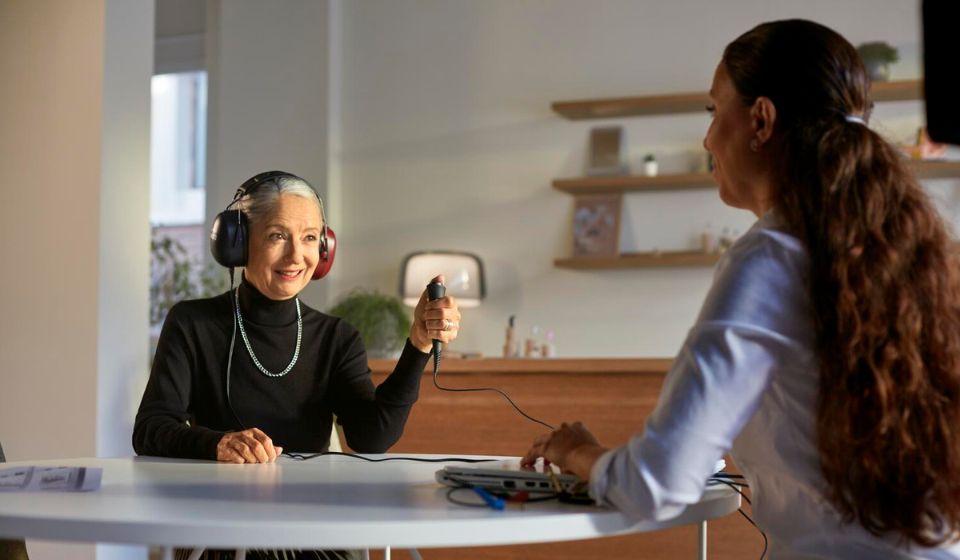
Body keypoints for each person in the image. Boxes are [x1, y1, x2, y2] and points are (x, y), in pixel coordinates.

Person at [523, 19, 960, 558]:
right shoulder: (898, 254)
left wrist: (576, 452)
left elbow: (656, 486)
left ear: (761, 119)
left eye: (713, 111)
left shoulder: (769, 256)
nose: (708, 139)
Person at [134, 170, 460, 463]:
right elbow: (150, 429)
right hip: (215, 506)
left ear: (323, 249)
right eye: (278, 235)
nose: (295, 256)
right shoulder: (192, 323)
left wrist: (418, 345)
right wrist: (218, 444)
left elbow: (370, 439)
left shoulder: (337, 338)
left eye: (308, 238)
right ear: (239, 243)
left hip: (309, 510)